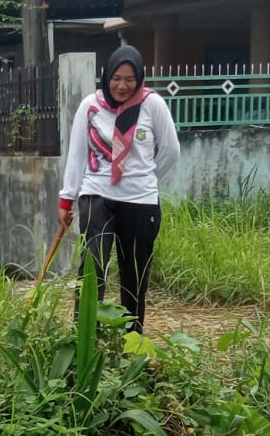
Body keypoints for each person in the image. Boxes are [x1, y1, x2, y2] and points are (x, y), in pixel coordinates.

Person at [57, 46, 179, 333]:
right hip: (97, 196)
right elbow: (77, 154)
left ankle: (131, 341)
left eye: (130, 79)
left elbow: (171, 151)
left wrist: (146, 178)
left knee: (134, 274)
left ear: (139, 78)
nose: (122, 85)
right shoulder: (90, 106)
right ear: (107, 76)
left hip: (141, 203)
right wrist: (67, 199)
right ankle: (84, 337)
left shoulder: (152, 104)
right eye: (116, 78)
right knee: (92, 268)